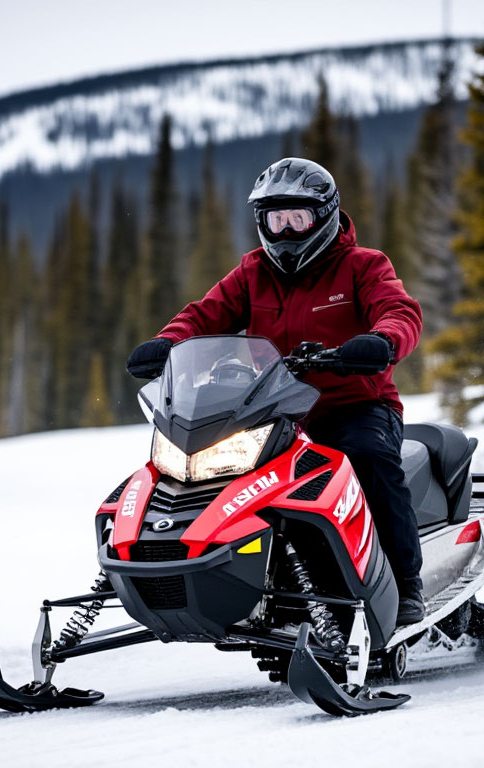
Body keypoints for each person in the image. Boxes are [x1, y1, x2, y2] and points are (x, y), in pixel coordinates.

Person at [126, 157, 426, 626]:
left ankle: (406, 587)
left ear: (324, 217)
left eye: (297, 218)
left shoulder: (361, 266)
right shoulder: (252, 272)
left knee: (367, 459)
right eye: (275, 219)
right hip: (276, 411)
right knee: (206, 475)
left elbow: (399, 309)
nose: (285, 232)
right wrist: (168, 342)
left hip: (355, 406)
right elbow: (204, 315)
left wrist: (382, 340)